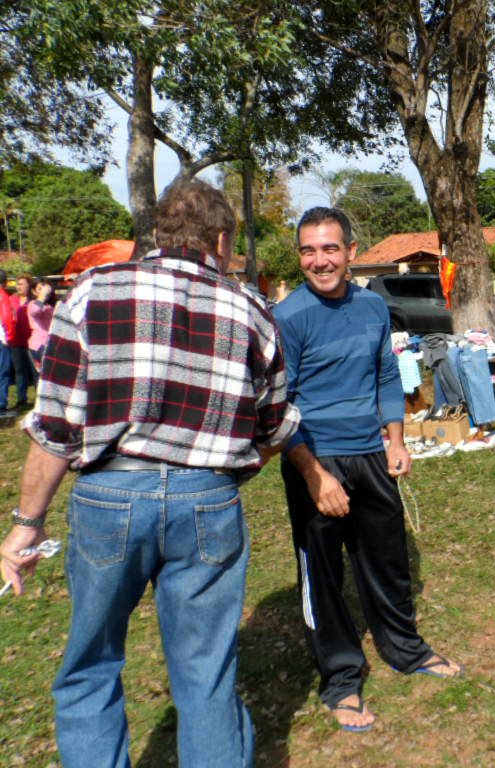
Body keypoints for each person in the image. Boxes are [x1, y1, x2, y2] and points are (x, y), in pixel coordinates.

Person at [0, 179, 300, 767]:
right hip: (208, 499)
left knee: (91, 664)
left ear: (158, 233)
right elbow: (275, 427)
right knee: (206, 675)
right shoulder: (252, 310)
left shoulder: (91, 291)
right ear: (220, 238)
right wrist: (219, 481)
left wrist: (25, 524)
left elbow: (55, 427)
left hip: (110, 493)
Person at [273, 207, 463, 734]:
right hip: (315, 458)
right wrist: (316, 476)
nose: (320, 260)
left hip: (371, 454)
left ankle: (404, 648)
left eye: (330, 248)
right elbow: (278, 408)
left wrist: (396, 439)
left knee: (388, 559)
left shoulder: (374, 308)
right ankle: (340, 678)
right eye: (309, 250)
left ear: (352, 252)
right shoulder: (288, 317)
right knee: (324, 575)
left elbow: (386, 373)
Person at [9, 273, 37, 408]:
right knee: (20, 372)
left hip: (32, 341)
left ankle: (39, 400)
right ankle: (21, 400)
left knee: (35, 371)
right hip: (16, 341)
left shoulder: (34, 301)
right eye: (17, 284)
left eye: (21, 284)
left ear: (28, 285)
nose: (18, 286)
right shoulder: (11, 300)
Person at [27, 280, 56, 372]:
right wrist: (42, 295)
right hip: (39, 345)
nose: (44, 291)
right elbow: (35, 311)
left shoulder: (50, 307)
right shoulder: (33, 304)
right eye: (40, 289)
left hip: (49, 344)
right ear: (34, 291)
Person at [0, 268, 13, 414]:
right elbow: (7, 320)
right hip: (1, 339)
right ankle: (1, 402)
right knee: (2, 373)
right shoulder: (3, 296)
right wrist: (8, 339)